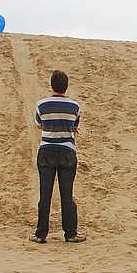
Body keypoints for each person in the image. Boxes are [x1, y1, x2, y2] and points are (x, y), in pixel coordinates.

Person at [30, 70, 87, 244]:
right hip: (67, 151)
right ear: (66, 86)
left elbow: (39, 125)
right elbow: (74, 126)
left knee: (45, 194)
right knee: (67, 194)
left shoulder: (42, 104)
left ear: (51, 85)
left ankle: (41, 234)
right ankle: (70, 233)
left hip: (46, 149)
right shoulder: (74, 106)